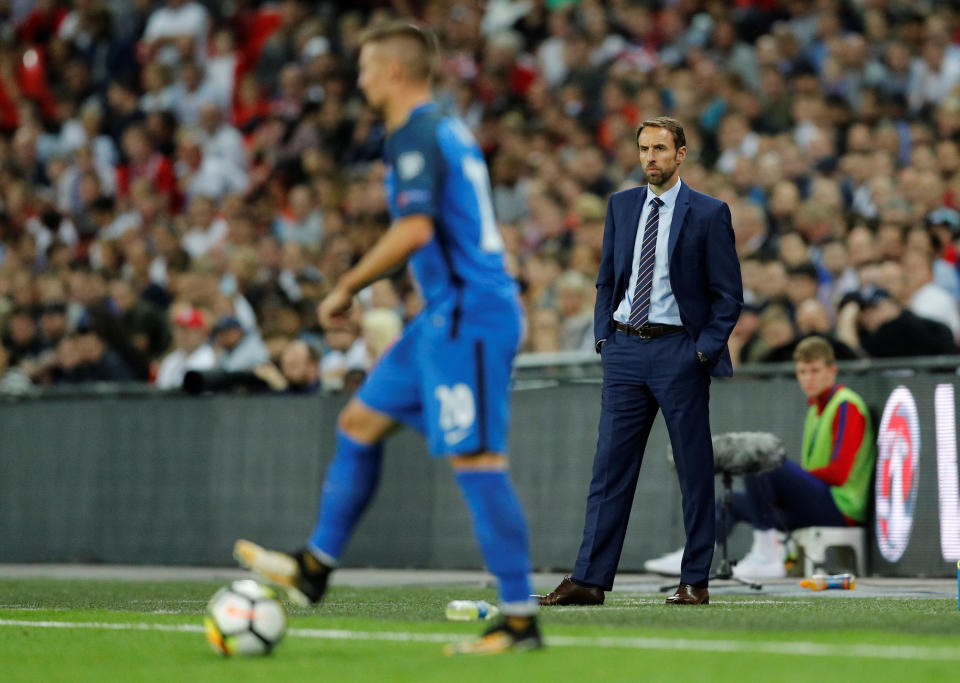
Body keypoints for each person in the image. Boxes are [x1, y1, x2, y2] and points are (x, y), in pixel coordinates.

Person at [234, 21, 541, 654]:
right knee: (358, 423)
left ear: (395, 72)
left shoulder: (416, 134)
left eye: (368, 68)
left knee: (479, 460)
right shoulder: (443, 129)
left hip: (469, 316)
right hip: (438, 316)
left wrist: (345, 286)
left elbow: (415, 232)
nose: (360, 79)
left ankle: (517, 620)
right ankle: (315, 567)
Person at [538, 117, 743, 607]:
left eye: (660, 148)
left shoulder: (710, 213)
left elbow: (728, 296)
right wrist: (605, 337)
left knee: (694, 472)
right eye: (644, 148)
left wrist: (701, 352)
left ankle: (694, 579)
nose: (650, 157)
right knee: (609, 469)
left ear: (681, 154)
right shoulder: (622, 205)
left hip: (679, 352)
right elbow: (607, 279)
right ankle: (588, 579)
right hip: (626, 349)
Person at [645, 336, 877, 579]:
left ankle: (768, 554)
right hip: (821, 502)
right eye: (802, 371)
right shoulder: (815, 410)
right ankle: (694, 556)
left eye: (815, 371)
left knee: (763, 460)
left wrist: (788, 481)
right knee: (731, 500)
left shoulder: (846, 406)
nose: (808, 378)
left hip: (841, 508)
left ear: (832, 370)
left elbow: (839, 473)